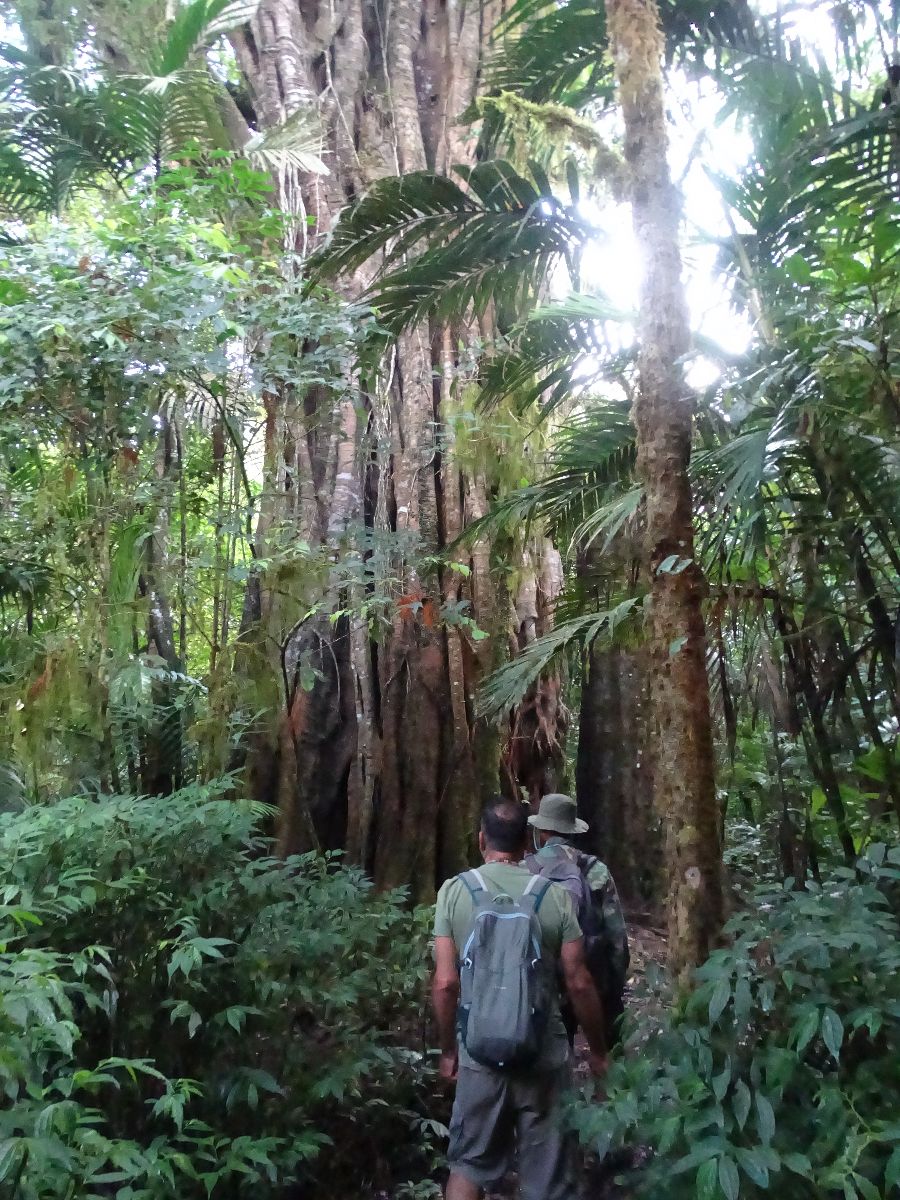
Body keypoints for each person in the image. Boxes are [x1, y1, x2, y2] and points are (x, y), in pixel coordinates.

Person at [432, 796, 609, 1200]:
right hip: (542, 1055)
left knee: (467, 1167)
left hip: (478, 1053)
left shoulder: (454, 892)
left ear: (481, 839)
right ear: (526, 842)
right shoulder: (553, 896)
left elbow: (445, 982)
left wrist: (448, 1051)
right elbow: (578, 981)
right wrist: (598, 1051)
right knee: (549, 1180)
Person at [525, 793, 629, 1051]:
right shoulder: (595, 870)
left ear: (542, 831)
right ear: (572, 831)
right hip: (590, 977)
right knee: (608, 1058)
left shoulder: (524, 870)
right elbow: (617, 938)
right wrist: (612, 989)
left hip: (543, 984)